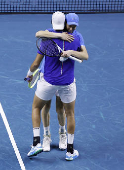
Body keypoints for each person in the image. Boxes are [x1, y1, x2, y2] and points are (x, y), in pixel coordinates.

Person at [26, 11, 88, 160]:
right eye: (70, 25)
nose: (72, 29)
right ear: (64, 22)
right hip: (66, 83)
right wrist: (60, 36)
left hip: (49, 82)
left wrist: (71, 52)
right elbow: (85, 56)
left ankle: (49, 139)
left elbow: (36, 63)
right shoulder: (55, 36)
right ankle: (54, 141)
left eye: (74, 26)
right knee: (61, 111)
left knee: (43, 108)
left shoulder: (48, 39)